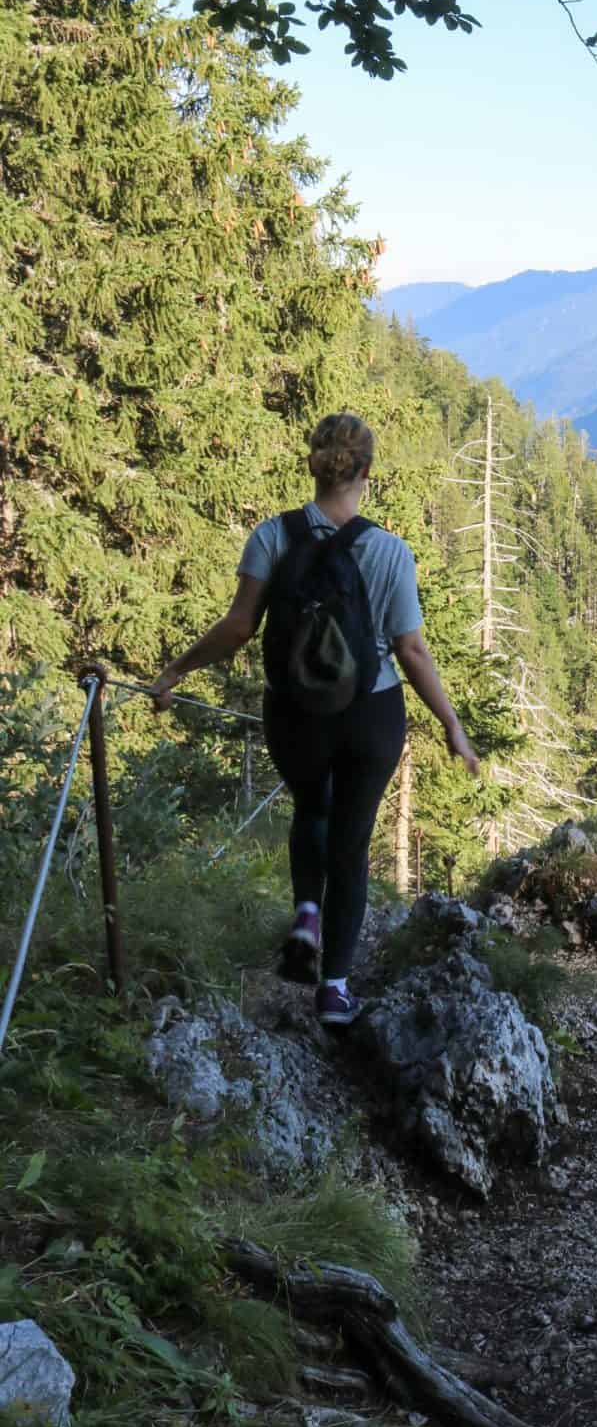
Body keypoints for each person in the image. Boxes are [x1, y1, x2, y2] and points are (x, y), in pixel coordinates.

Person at [145, 412, 480, 1025]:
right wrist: (453, 726)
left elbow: (240, 626)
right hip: (370, 715)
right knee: (350, 849)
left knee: (311, 810)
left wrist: (174, 673)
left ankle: (306, 913)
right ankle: (335, 989)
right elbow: (411, 651)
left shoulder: (273, 537)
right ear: (367, 473)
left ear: (315, 465)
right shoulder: (388, 552)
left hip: (294, 713)